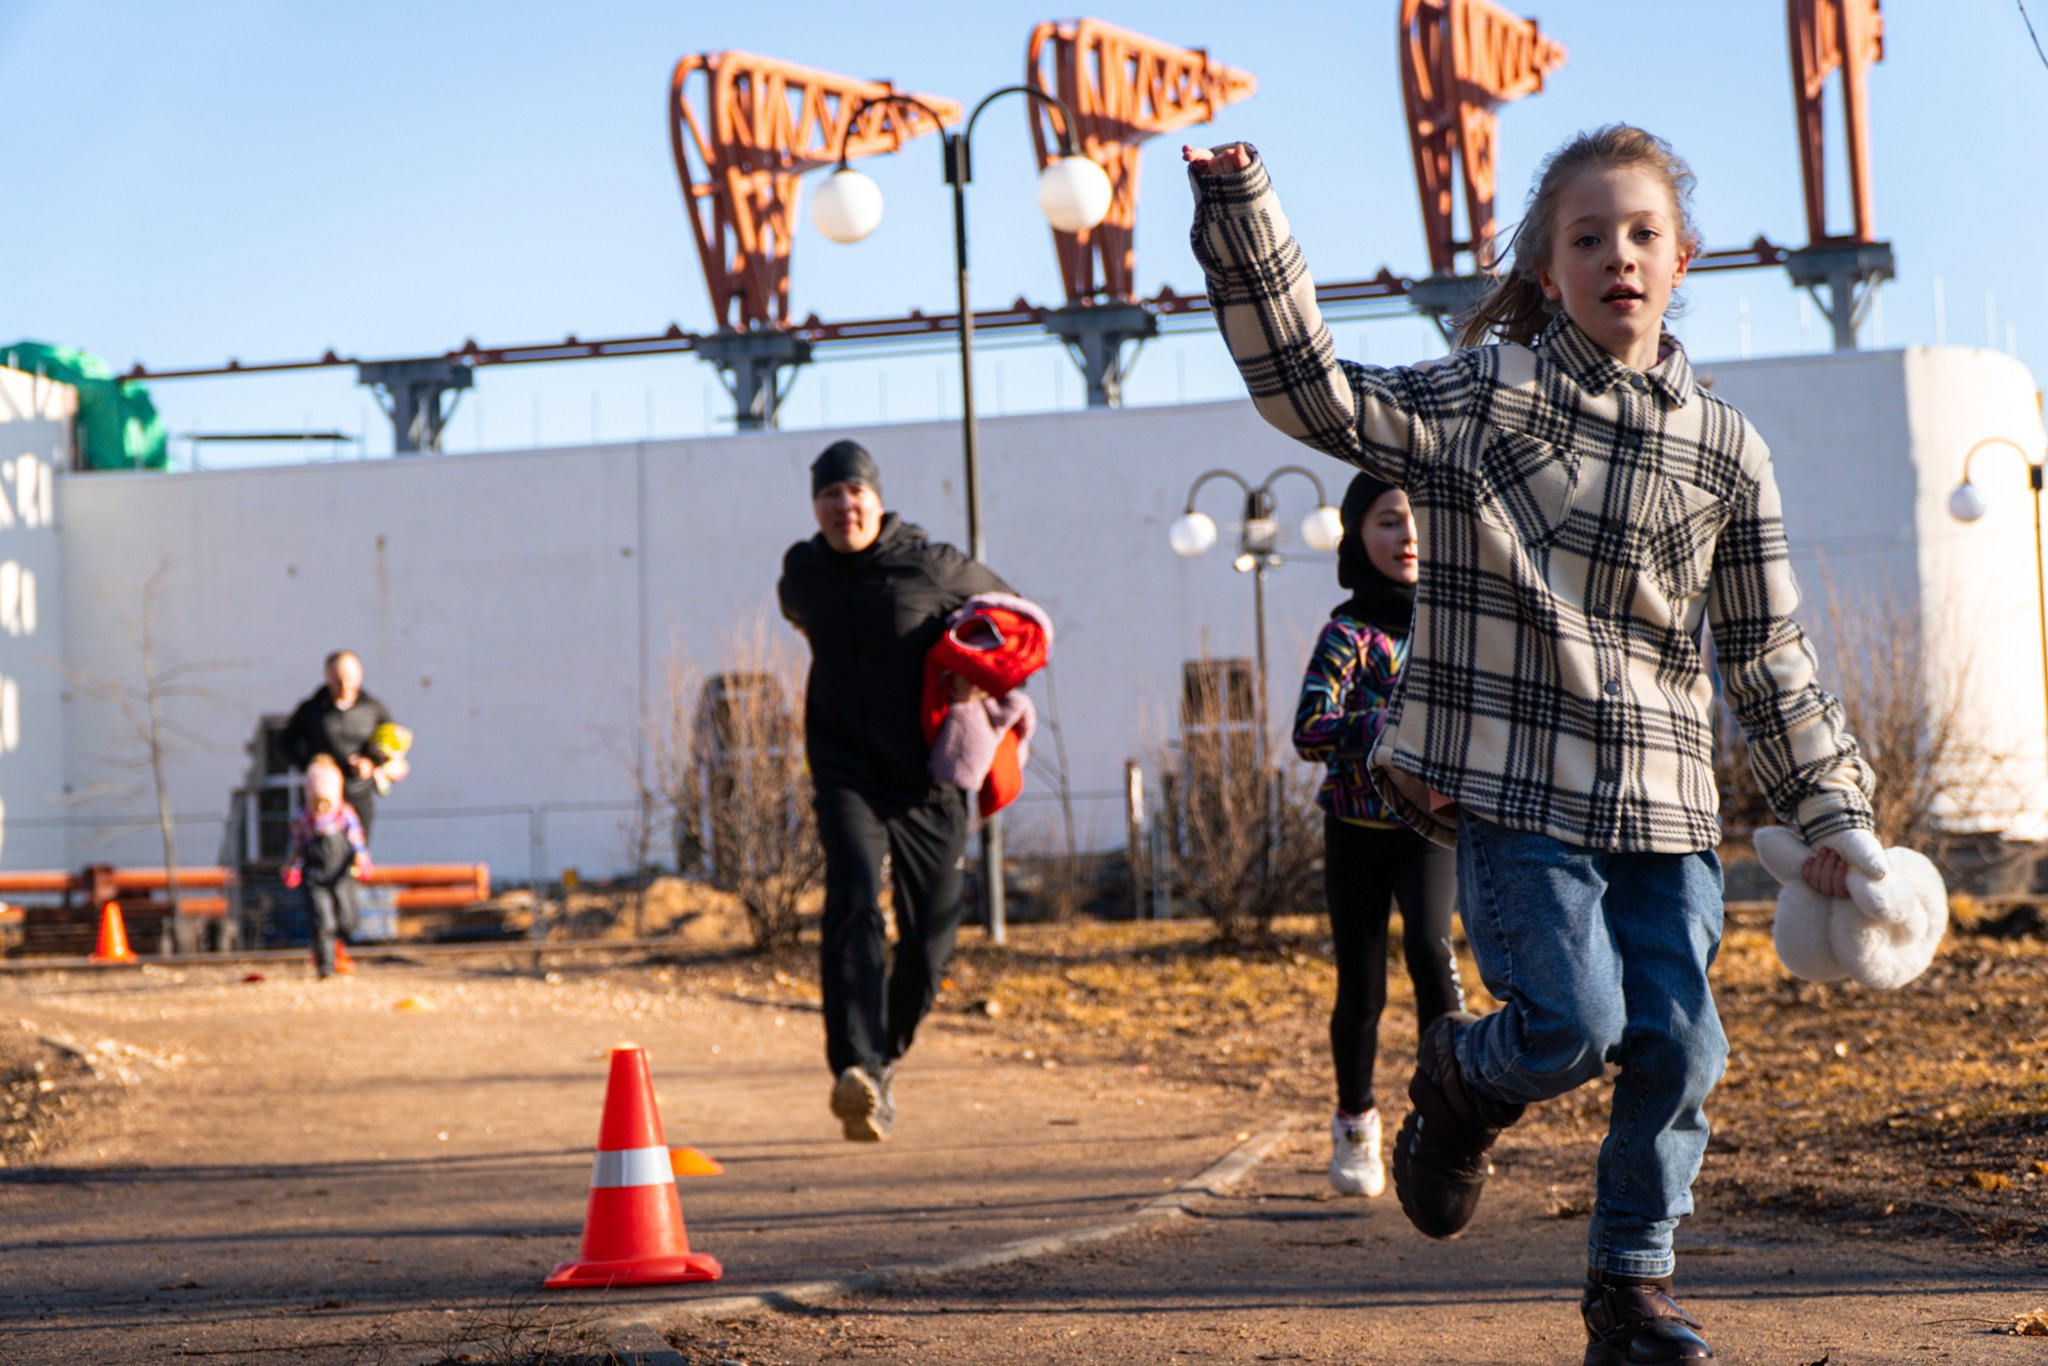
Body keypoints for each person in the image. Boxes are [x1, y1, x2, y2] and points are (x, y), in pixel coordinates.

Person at [1189, 126, 1901, 1365]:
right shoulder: (1482, 400)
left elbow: (1766, 652)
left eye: (1639, 234)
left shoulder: (1729, 451)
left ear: (1680, 259)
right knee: (1570, 1024)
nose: (1615, 256)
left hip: (1667, 810)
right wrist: (1241, 207)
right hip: (1518, 790)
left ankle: (1629, 1291)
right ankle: (1461, 1081)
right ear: (1545, 267)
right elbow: (1307, 391)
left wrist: (1832, 817)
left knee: (1680, 1042)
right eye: (1585, 238)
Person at [777, 439, 1013, 1142]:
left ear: (878, 501)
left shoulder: (932, 564)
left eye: (855, 494)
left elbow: (1013, 614)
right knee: (852, 898)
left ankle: (880, 1068)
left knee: (931, 943)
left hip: (929, 779)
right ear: (815, 505)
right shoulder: (803, 574)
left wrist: (977, 668)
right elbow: (798, 614)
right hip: (845, 769)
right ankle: (852, 1063)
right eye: (829, 496)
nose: (843, 507)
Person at [1292, 472, 1462, 1200]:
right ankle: (1356, 1120)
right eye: (1390, 521)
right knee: (1361, 988)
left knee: (1431, 952)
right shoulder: (1349, 634)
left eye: (1418, 521)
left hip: (1431, 830)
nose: (1408, 536)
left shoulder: (1457, 626)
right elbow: (1308, 728)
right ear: (1359, 535)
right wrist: (1392, 729)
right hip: (1356, 829)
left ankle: (1445, 1120)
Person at [279, 650, 405, 842]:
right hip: (322, 799)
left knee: (356, 857)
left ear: (359, 677)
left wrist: (370, 763)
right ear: (328, 678)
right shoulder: (311, 710)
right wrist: (312, 765)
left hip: (359, 795)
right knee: (324, 854)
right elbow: (283, 744)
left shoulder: (373, 709)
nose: (345, 686)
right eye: (338, 680)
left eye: (349, 679)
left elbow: (392, 746)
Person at [284, 754, 370, 979]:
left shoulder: (344, 816)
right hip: (315, 876)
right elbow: (295, 846)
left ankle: (337, 949)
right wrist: (292, 866)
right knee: (322, 921)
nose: (321, 807)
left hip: (341, 874)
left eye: (326, 801)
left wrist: (361, 861)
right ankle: (325, 966)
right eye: (317, 801)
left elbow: (357, 842)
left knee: (347, 920)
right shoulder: (303, 820)